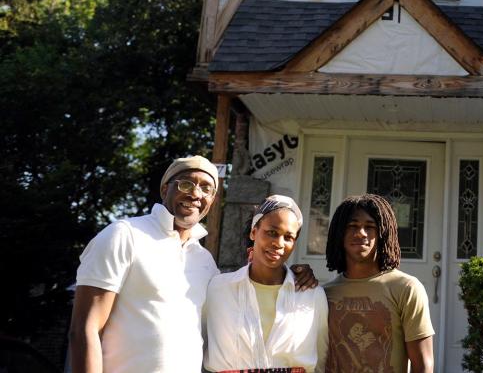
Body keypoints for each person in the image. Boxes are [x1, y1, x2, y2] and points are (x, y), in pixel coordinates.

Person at [68, 155, 317, 373]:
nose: (196, 194)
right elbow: (84, 329)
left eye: (206, 188)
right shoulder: (124, 235)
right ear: (165, 189)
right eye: (186, 184)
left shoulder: (205, 262)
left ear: (212, 199)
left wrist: (293, 275)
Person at [204, 195, 329, 372]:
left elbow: (321, 360)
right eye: (272, 232)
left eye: (288, 237)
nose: (279, 243)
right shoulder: (218, 289)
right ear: (254, 232)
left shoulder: (312, 295)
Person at [323, 194, 434, 373]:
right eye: (352, 226)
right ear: (339, 233)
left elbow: (423, 364)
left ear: (383, 233)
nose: (361, 233)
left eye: (370, 226)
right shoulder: (324, 294)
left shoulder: (406, 288)